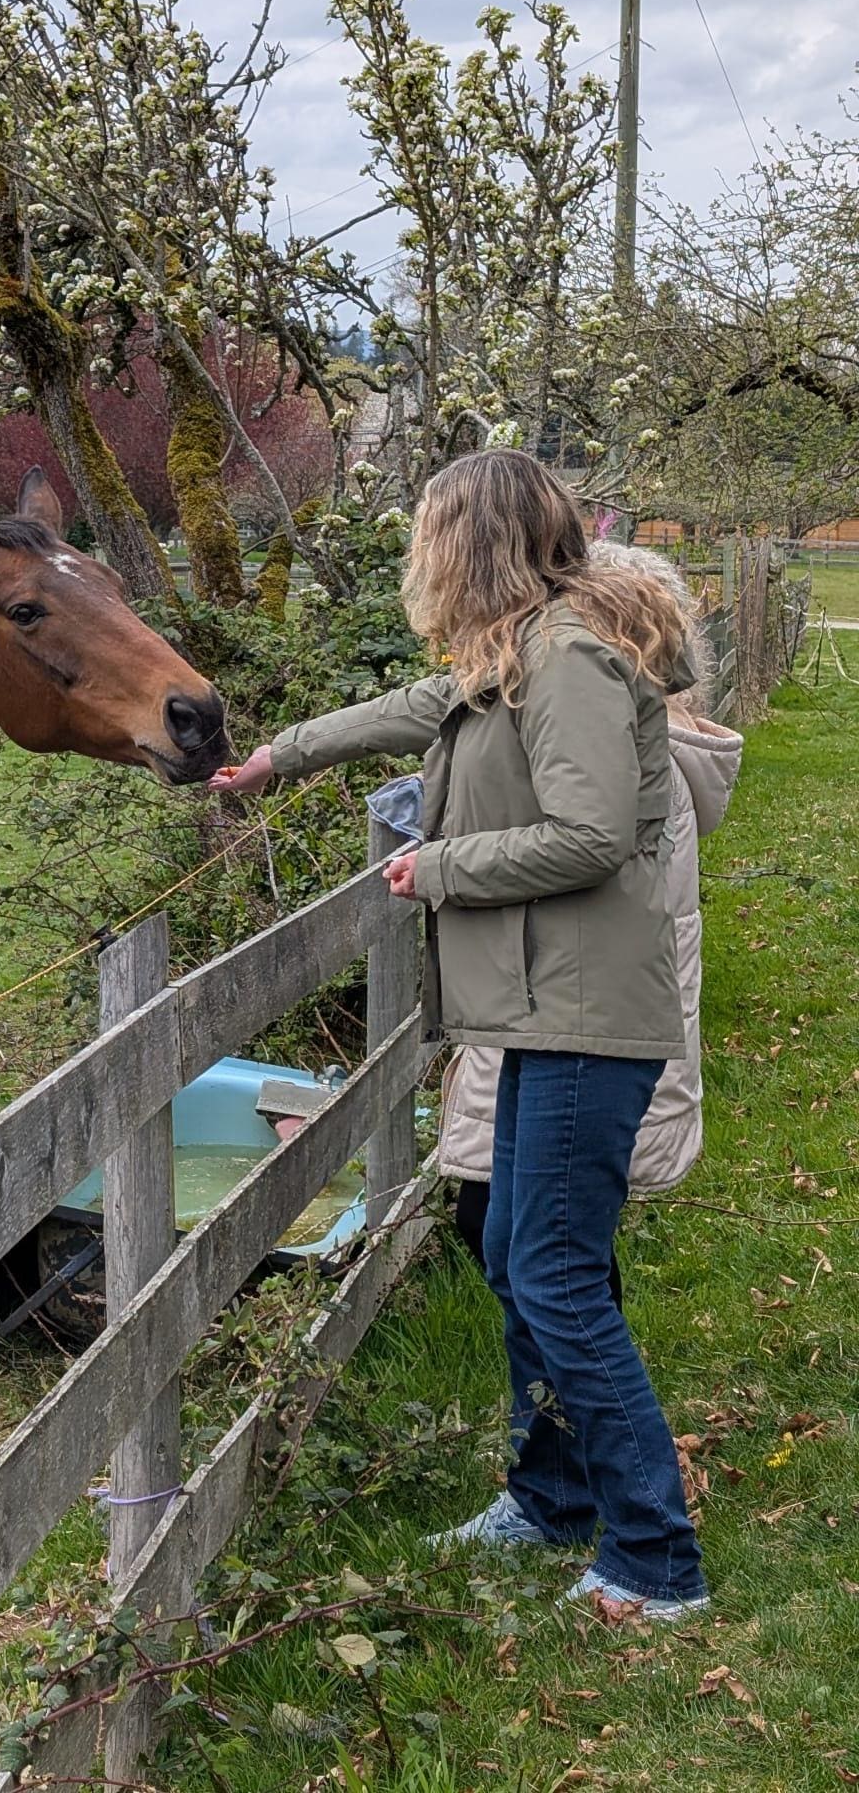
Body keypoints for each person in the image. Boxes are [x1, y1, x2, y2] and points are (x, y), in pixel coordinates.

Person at [212, 452, 710, 1622]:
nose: (416, 559)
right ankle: (555, 1502)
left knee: (555, 1274)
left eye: (430, 534)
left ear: (473, 544)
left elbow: (588, 835)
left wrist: (435, 868)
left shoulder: (569, 659)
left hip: (587, 1016)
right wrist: (281, 754)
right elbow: (412, 709)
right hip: (543, 1010)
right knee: (518, 1259)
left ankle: (655, 1558)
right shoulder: (513, 653)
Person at [442, 543, 743, 1300]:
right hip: (553, 1013)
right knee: (534, 1241)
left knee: (545, 1254)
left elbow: (573, 858)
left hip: (570, 1022)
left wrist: (447, 861)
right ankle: (554, 1410)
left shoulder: (621, 762)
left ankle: (587, 1412)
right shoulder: (612, 744)